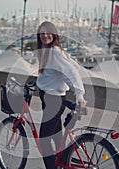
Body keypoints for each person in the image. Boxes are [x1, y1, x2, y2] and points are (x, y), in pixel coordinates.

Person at [36, 21, 86, 169]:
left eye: (48, 32)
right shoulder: (49, 50)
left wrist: (79, 95)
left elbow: (71, 72)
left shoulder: (54, 52)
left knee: (44, 141)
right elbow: (73, 67)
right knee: (57, 138)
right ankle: (63, 164)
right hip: (50, 98)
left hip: (53, 101)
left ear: (54, 34)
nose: (45, 36)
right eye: (42, 33)